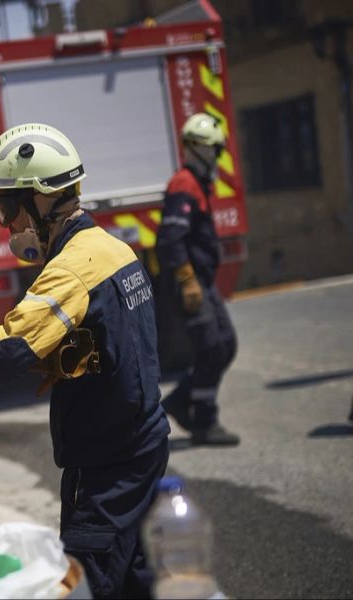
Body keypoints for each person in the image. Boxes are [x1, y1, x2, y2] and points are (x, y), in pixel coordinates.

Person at [0, 123, 170, 599]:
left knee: (80, 584)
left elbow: (8, 351)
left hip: (108, 464)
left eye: (7, 208)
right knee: (138, 577)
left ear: (41, 201)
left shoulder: (70, 270)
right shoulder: (114, 248)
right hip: (142, 444)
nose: (7, 224)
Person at [155, 113, 240, 446]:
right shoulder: (184, 185)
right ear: (198, 148)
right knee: (211, 347)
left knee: (225, 344)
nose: (218, 157)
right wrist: (188, 280)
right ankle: (205, 422)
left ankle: (179, 402)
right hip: (189, 281)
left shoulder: (198, 183)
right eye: (215, 150)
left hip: (202, 281)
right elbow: (170, 240)